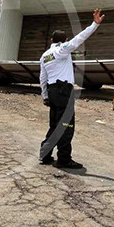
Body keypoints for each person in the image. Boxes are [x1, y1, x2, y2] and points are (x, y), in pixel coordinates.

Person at [39, 9, 105, 169]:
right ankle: (64, 159)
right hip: (64, 92)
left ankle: (45, 154)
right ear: (64, 41)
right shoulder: (62, 49)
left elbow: (43, 78)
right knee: (66, 126)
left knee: (55, 125)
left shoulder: (45, 55)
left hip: (53, 92)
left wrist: (45, 96)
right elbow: (79, 39)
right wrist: (94, 25)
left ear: (51, 40)